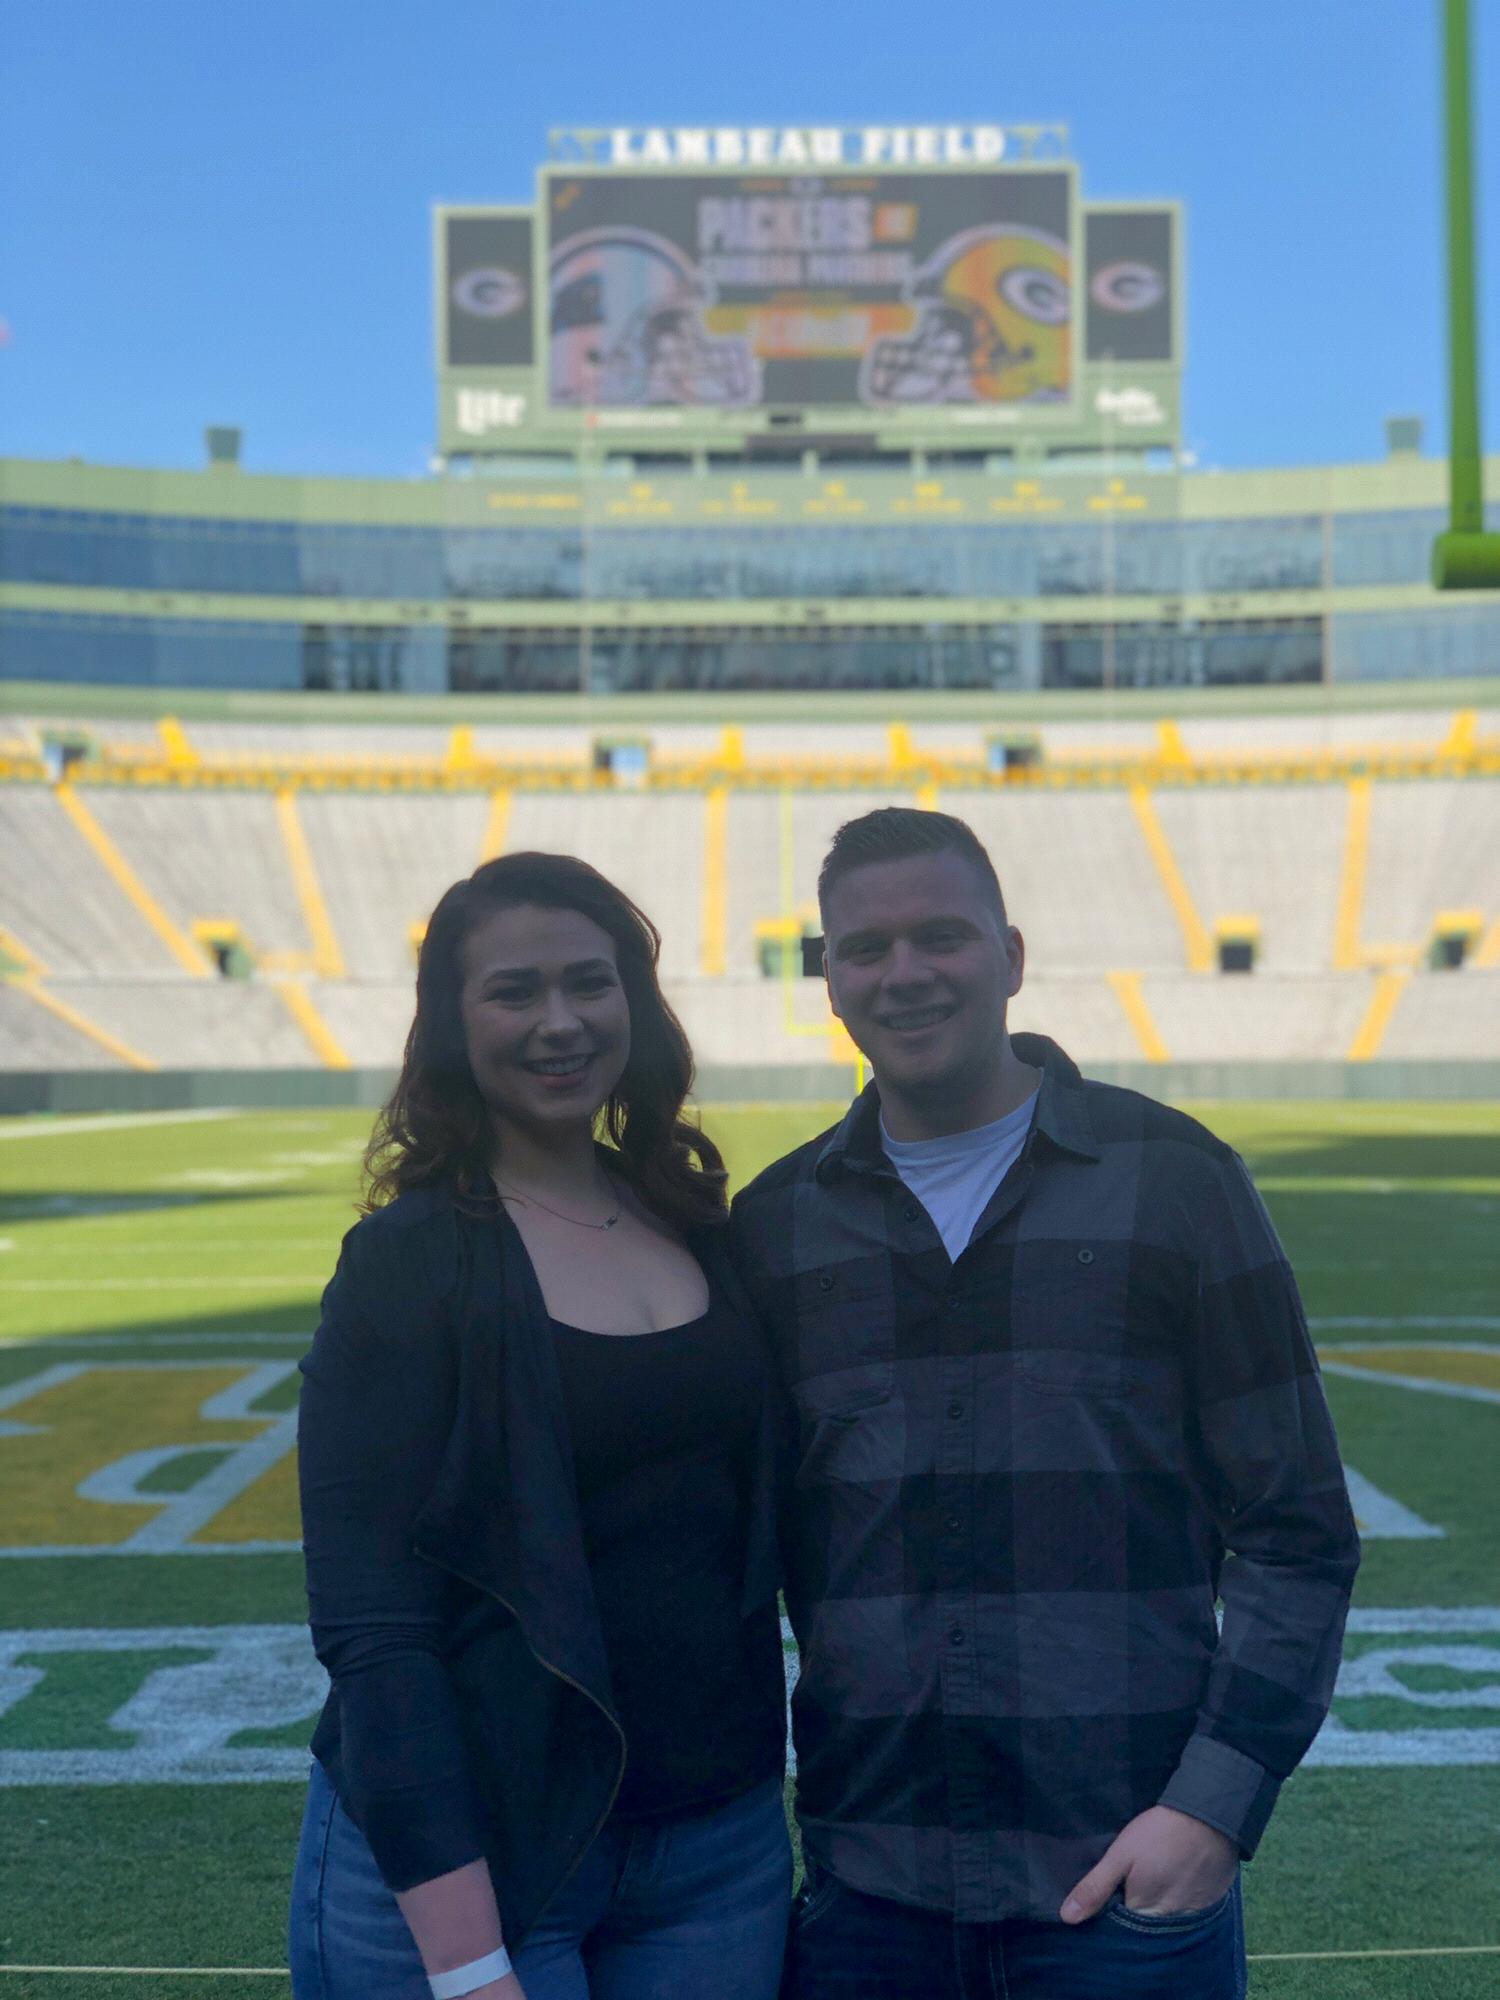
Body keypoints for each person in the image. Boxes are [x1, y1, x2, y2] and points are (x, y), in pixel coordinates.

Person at [730, 806, 1360, 2000]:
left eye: (941, 936)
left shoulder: (1176, 1180)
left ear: (1011, 955)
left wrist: (1211, 1808)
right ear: (827, 980)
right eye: (864, 948)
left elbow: (1296, 1526)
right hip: (870, 1896)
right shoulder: (774, 1230)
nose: (903, 972)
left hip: (1125, 1883)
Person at [288, 852, 790, 2000]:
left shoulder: (693, 1217)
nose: (559, 1021)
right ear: (453, 1024)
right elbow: (373, 1626)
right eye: (514, 991)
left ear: (635, 1003)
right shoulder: (407, 1262)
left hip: (716, 1850)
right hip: (480, 1856)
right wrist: (468, 1965)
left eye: (589, 982)